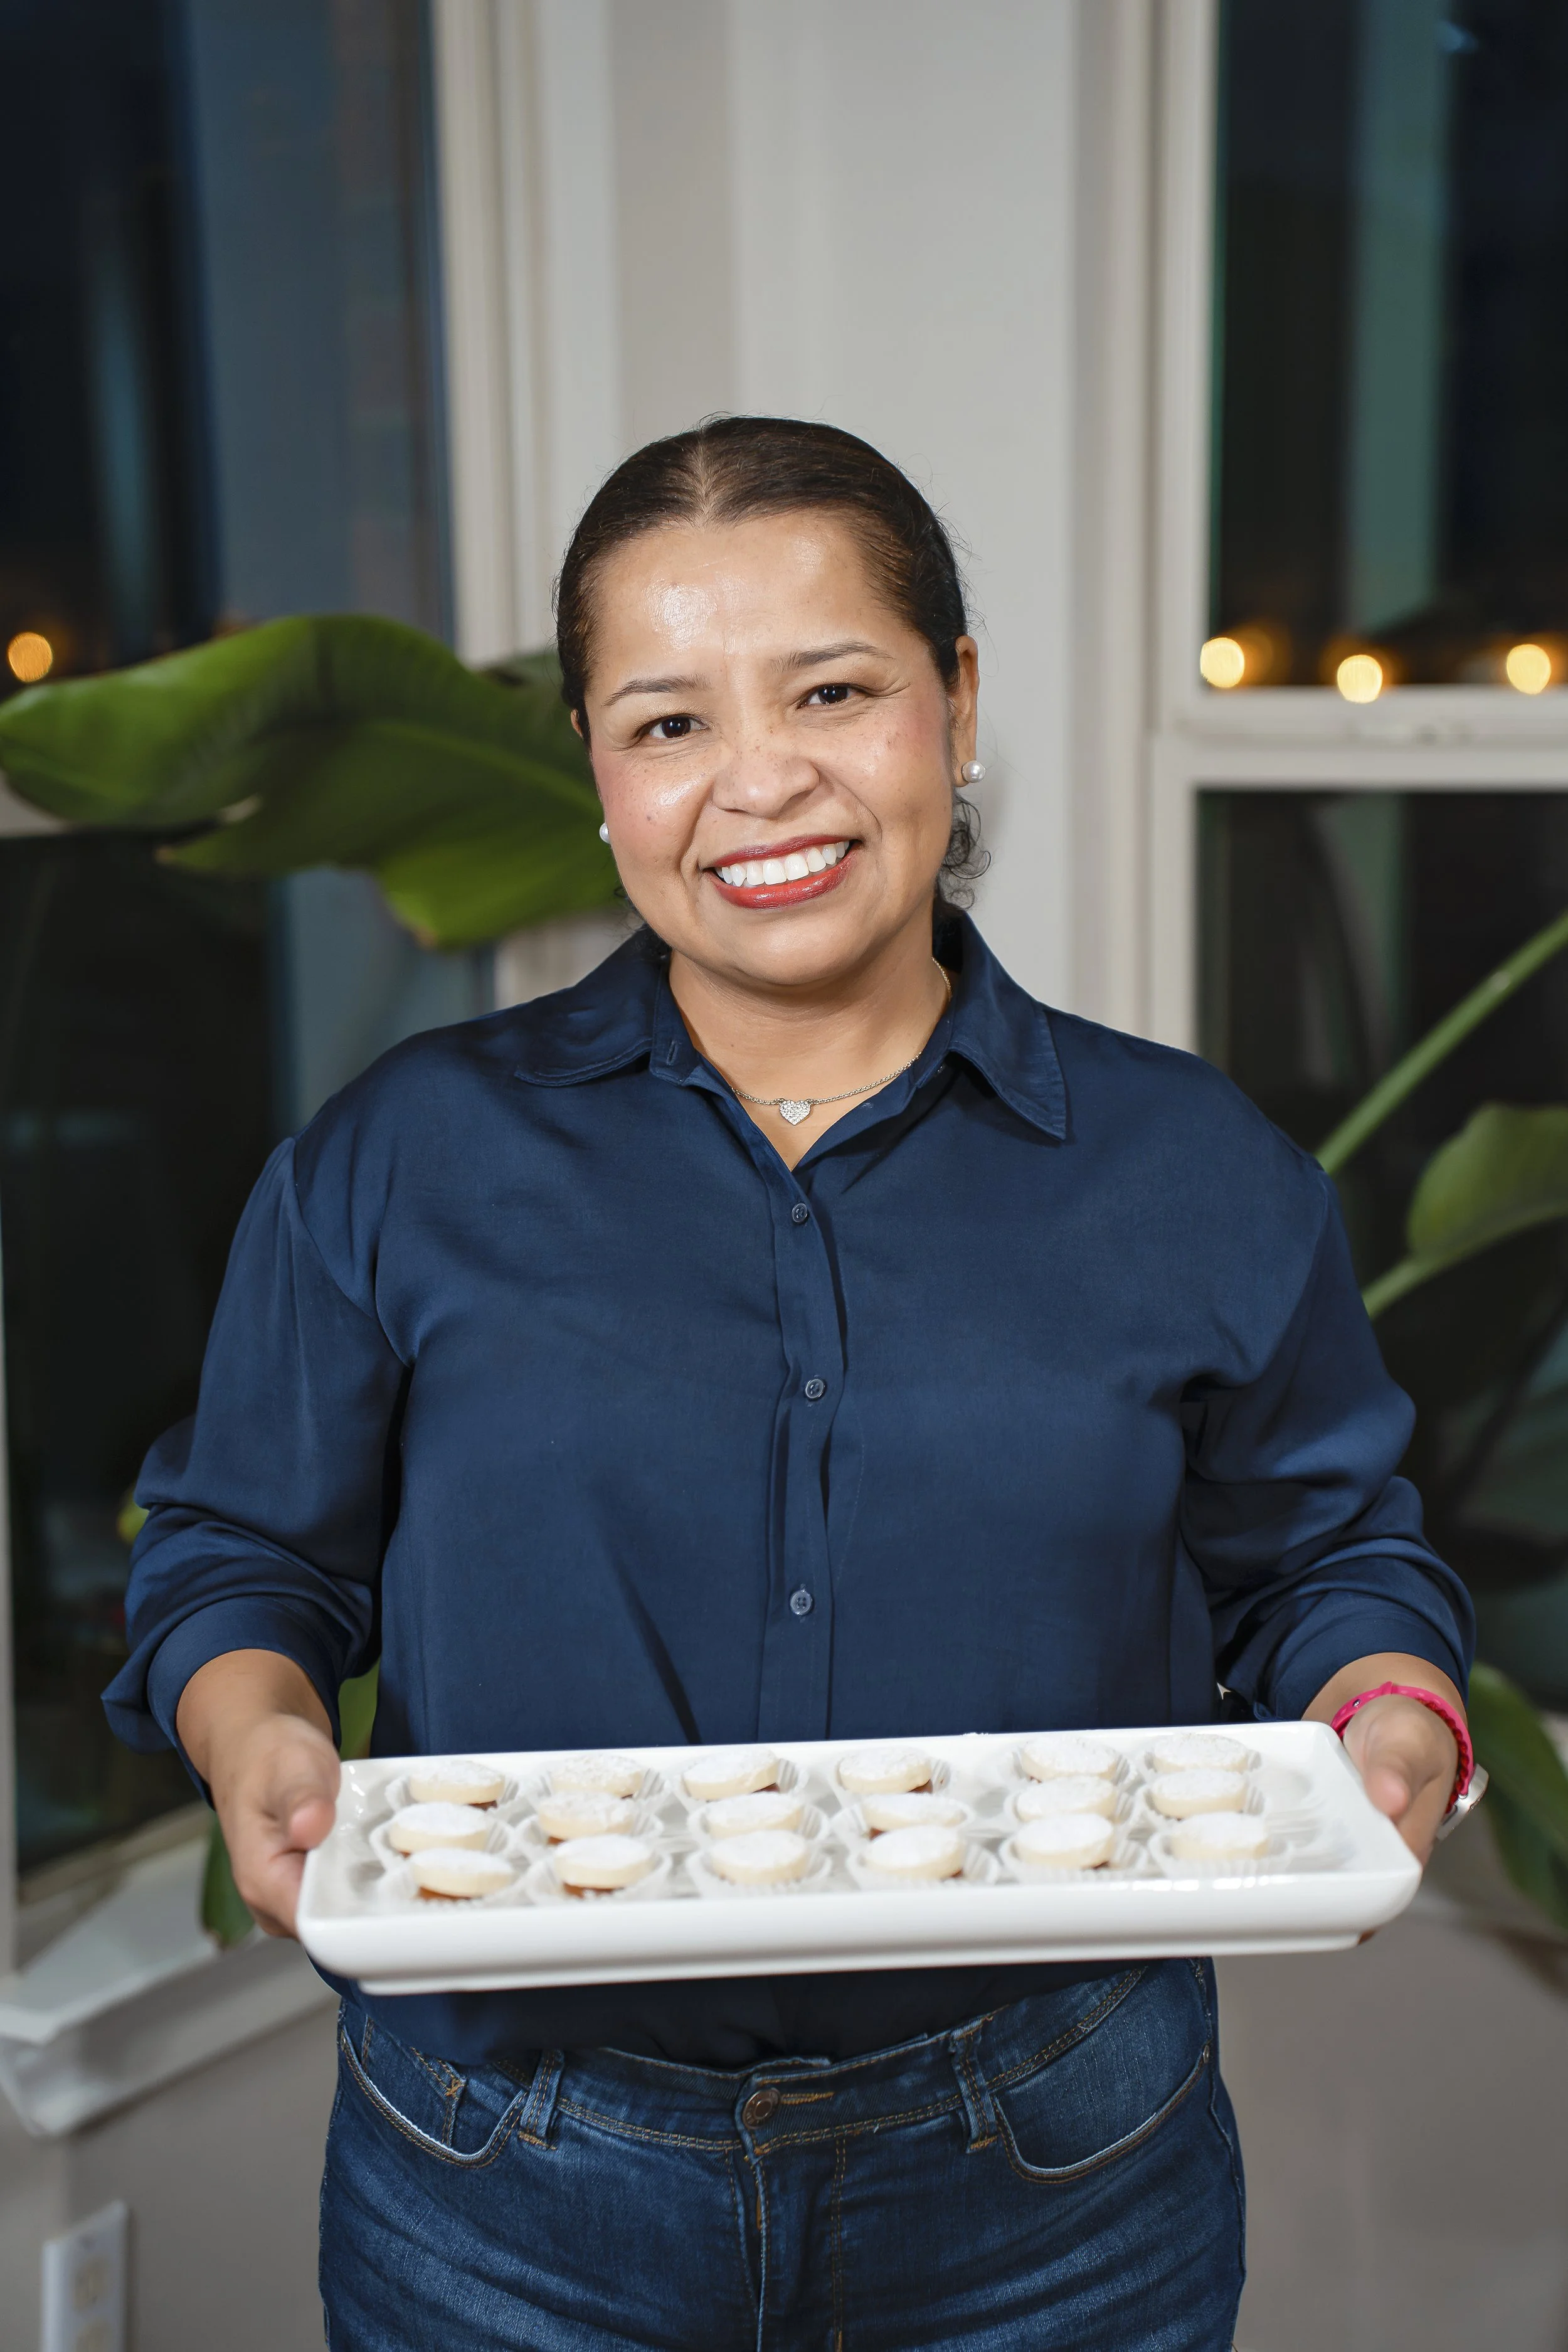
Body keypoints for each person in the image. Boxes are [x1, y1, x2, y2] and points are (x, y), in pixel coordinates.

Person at [105, 417, 1473, 2351]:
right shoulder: (398, 1161)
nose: (758, 780)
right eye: (665, 721)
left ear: (955, 703)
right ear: (593, 766)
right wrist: (252, 1728)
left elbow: (1329, 1553)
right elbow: (240, 1551)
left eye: (833, 688)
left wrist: (1383, 1696)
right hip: (509, 2171)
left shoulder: (1195, 1172)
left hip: (1061, 2171)